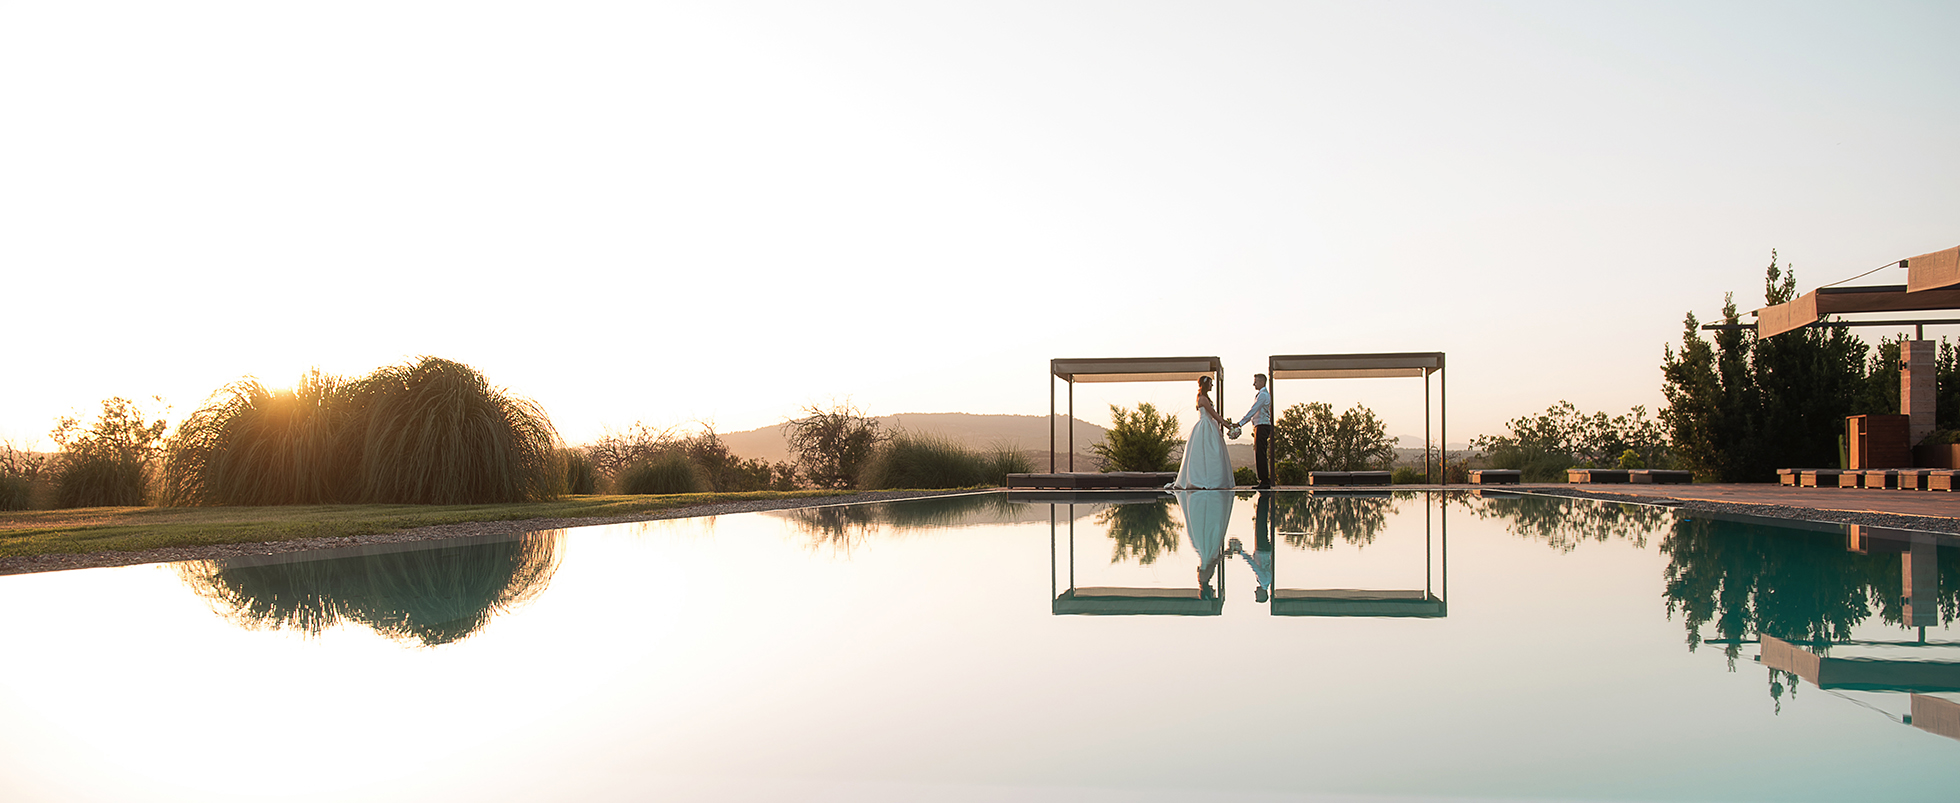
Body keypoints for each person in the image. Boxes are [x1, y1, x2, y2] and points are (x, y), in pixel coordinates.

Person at [1168, 376, 1233, 490]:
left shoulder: (1204, 398)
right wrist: (1227, 425)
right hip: (1205, 426)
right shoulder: (1202, 399)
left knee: (1212, 454)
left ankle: (1213, 479)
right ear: (1205, 385)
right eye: (1210, 383)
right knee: (1204, 454)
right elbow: (1214, 414)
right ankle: (1204, 480)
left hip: (1210, 425)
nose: (1212, 386)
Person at [1234, 373, 1274, 488]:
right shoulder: (1261, 394)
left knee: (1260, 453)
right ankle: (1263, 480)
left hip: (1262, 426)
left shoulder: (1263, 395)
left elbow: (1253, 410)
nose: (1254, 384)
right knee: (1259, 452)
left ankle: (1264, 481)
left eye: (1255, 381)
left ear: (1261, 382)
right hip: (1259, 425)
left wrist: (1240, 423)